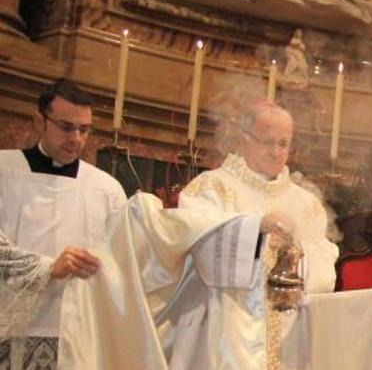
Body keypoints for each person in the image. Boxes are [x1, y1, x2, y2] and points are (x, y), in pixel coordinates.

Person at [56, 101, 339, 370]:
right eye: (268, 142)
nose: (276, 152)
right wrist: (254, 229)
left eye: (284, 144)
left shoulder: (306, 202)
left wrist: (294, 253)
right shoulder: (213, 186)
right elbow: (200, 249)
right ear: (244, 140)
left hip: (289, 331)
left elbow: (325, 265)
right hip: (224, 327)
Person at [0, 80, 127, 369]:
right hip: (9, 332)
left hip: (76, 335)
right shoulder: (4, 171)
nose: (77, 138)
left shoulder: (107, 190)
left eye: (84, 130)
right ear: (39, 121)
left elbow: (121, 265)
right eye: (66, 127)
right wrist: (47, 267)